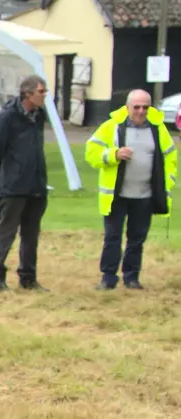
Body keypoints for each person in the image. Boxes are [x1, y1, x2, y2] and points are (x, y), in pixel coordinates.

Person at [88, 89, 177, 290]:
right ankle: (108, 278)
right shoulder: (111, 127)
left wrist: (166, 184)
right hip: (116, 196)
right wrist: (113, 154)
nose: (140, 111)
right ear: (127, 107)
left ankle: (132, 277)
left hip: (144, 196)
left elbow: (171, 158)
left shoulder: (158, 129)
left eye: (145, 107)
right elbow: (91, 152)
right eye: (136, 107)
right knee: (112, 238)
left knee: (137, 240)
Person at [0, 75, 51, 291]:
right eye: (41, 92)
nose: (45, 96)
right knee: (7, 231)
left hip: (36, 184)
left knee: (31, 234)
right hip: (13, 185)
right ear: (27, 94)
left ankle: (28, 277)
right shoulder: (8, 116)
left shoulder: (39, 115)